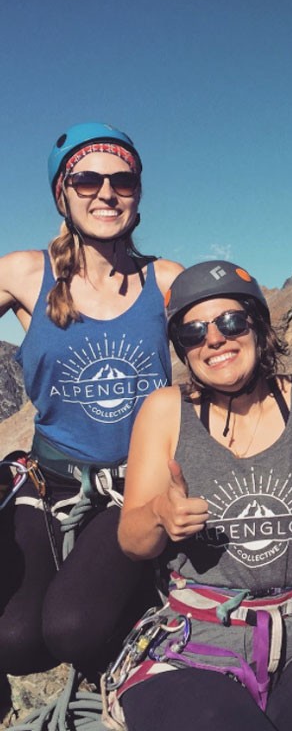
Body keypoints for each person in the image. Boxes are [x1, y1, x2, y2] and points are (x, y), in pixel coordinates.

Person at [114, 260, 292, 731]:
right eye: (194, 333)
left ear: (258, 326)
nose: (214, 339)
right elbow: (132, 540)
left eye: (231, 322)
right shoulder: (165, 411)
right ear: (183, 349)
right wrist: (159, 513)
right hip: (194, 640)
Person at [0, 123, 182, 677]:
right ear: (63, 192)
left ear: (137, 194)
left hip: (136, 485)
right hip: (48, 483)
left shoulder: (165, 281)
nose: (106, 193)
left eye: (122, 181)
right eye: (87, 180)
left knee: (72, 628)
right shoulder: (25, 274)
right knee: (15, 642)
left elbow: (232, 352)